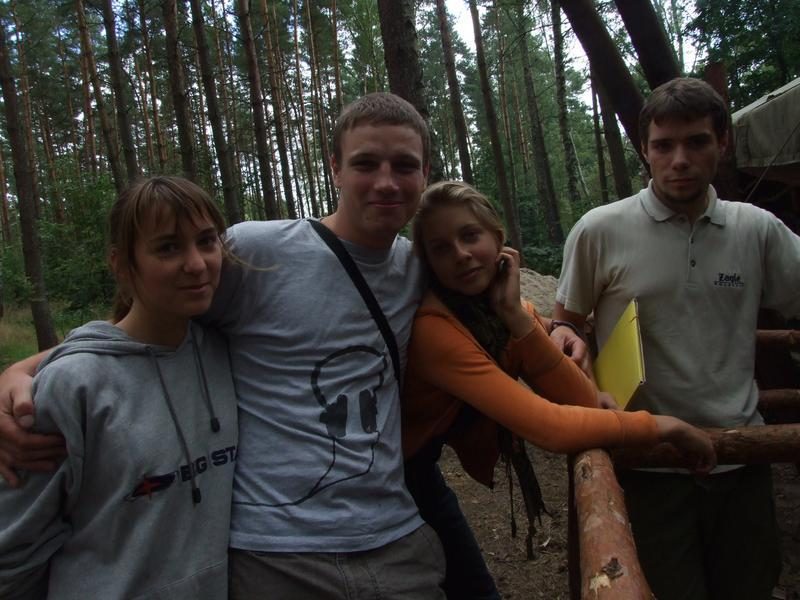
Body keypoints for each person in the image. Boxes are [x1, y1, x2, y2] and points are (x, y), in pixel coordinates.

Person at [0, 94, 589, 599]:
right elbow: (152, 321)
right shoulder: (256, 252)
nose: (386, 181)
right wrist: (26, 369)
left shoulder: (423, 266)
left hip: (395, 538)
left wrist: (557, 328)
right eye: (365, 163)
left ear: (424, 172)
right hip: (274, 558)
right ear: (334, 167)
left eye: (404, 165)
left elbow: (499, 312)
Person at [402, 180, 717, 599]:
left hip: (419, 470)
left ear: (498, 239)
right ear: (429, 264)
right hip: (391, 480)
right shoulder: (435, 330)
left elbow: (581, 400)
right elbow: (549, 427)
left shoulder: (500, 309)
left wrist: (515, 315)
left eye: (470, 235)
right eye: (441, 248)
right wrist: (663, 426)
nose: (460, 254)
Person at [553, 77, 800, 600]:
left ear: (722, 143)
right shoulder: (600, 229)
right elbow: (566, 322)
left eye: (697, 142)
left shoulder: (757, 229)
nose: (679, 160)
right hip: (647, 461)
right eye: (664, 145)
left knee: (750, 587)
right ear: (644, 150)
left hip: (742, 459)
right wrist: (570, 345)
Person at [0, 176, 238, 598]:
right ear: (121, 264)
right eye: (168, 248)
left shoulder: (224, 354)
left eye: (206, 241)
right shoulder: (74, 385)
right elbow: (14, 547)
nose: (197, 264)